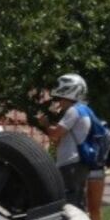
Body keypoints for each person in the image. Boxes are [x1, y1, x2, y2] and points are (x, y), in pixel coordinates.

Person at [38, 74, 91, 211]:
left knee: (69, 204)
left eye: (60, 98)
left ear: (68, 93)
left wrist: (45, 124)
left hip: (70, 164)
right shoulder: (84, 110)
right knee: (78, 202)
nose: (59, 102)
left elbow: (55, 133)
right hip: (79, 163)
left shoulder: (73, 111)